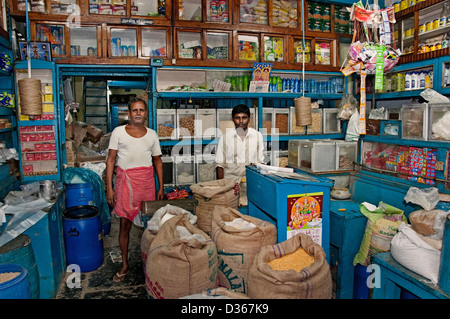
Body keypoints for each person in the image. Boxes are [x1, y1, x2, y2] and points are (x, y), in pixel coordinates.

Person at [106, 96, 164, 283]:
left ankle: (151, 262)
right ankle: (124, 264)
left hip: (147, 182)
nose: (138, 113)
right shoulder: (118, 132)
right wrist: (110, 188)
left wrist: (161, 187)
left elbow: (157, 161)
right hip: (126, 183)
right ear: (129, 113)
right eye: (135, 110)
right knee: (125, 224)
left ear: (145, 113)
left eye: (141, 110)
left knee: (150, 224)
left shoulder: (152, 134)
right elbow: (111, 160)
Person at [215, 104, 265, 206]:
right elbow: (219, 165)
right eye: (237, 118)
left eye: (244, 118)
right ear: (233, 119)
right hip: (230, 185)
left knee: (249, 212)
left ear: (249, 119)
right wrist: (222, 187)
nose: (241, 121)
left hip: (249, 184)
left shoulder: (257, 136)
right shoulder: (225, 138)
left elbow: (260, 162)